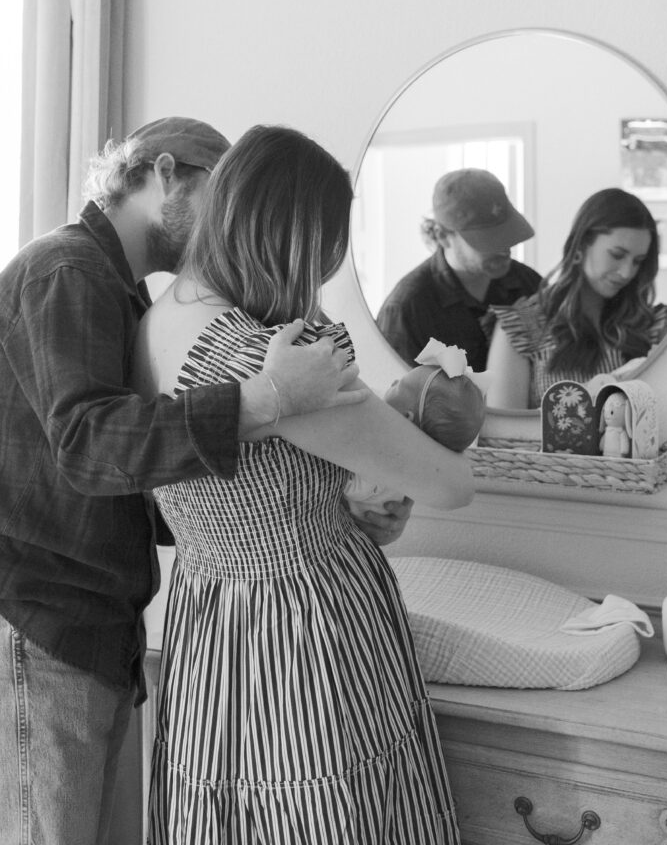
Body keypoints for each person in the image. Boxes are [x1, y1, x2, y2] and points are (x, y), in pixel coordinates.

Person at [0, 116, 373, 845]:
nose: (226, 227)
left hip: (92, 621)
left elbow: (124, 475)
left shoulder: (127, 294)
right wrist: (265, 399)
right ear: (165, 174)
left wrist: (318, 502)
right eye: (219, 194)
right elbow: (86, 444)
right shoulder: (66, 272)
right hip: (47, 616)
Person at [133, 124, 474, 844]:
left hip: (210, 616)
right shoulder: (271, 361)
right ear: (295, 240)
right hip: (302, 626)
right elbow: (449, 485)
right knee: (324, 807)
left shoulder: (160, 316)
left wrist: (344, 497)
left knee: (234, 809)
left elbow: (242, 484)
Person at [485, 187, 667, 410]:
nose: (626, 272)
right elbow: (507, 433)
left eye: (638, 261)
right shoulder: (521, 327)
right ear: (581, 245)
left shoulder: (650, 325)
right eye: (617, 255)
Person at [376, 168, 542, 372]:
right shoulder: (407, 309)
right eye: (488, 240)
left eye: (507, 234)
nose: (504, 249)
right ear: (443, 236)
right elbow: (396, 395)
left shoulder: (529, 284)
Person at [346, 351, 486, 518]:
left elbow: (352, 486)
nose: (393, 381)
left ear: (406, 418)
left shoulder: (383, 460)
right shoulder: (414, 466)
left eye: (398, 386)